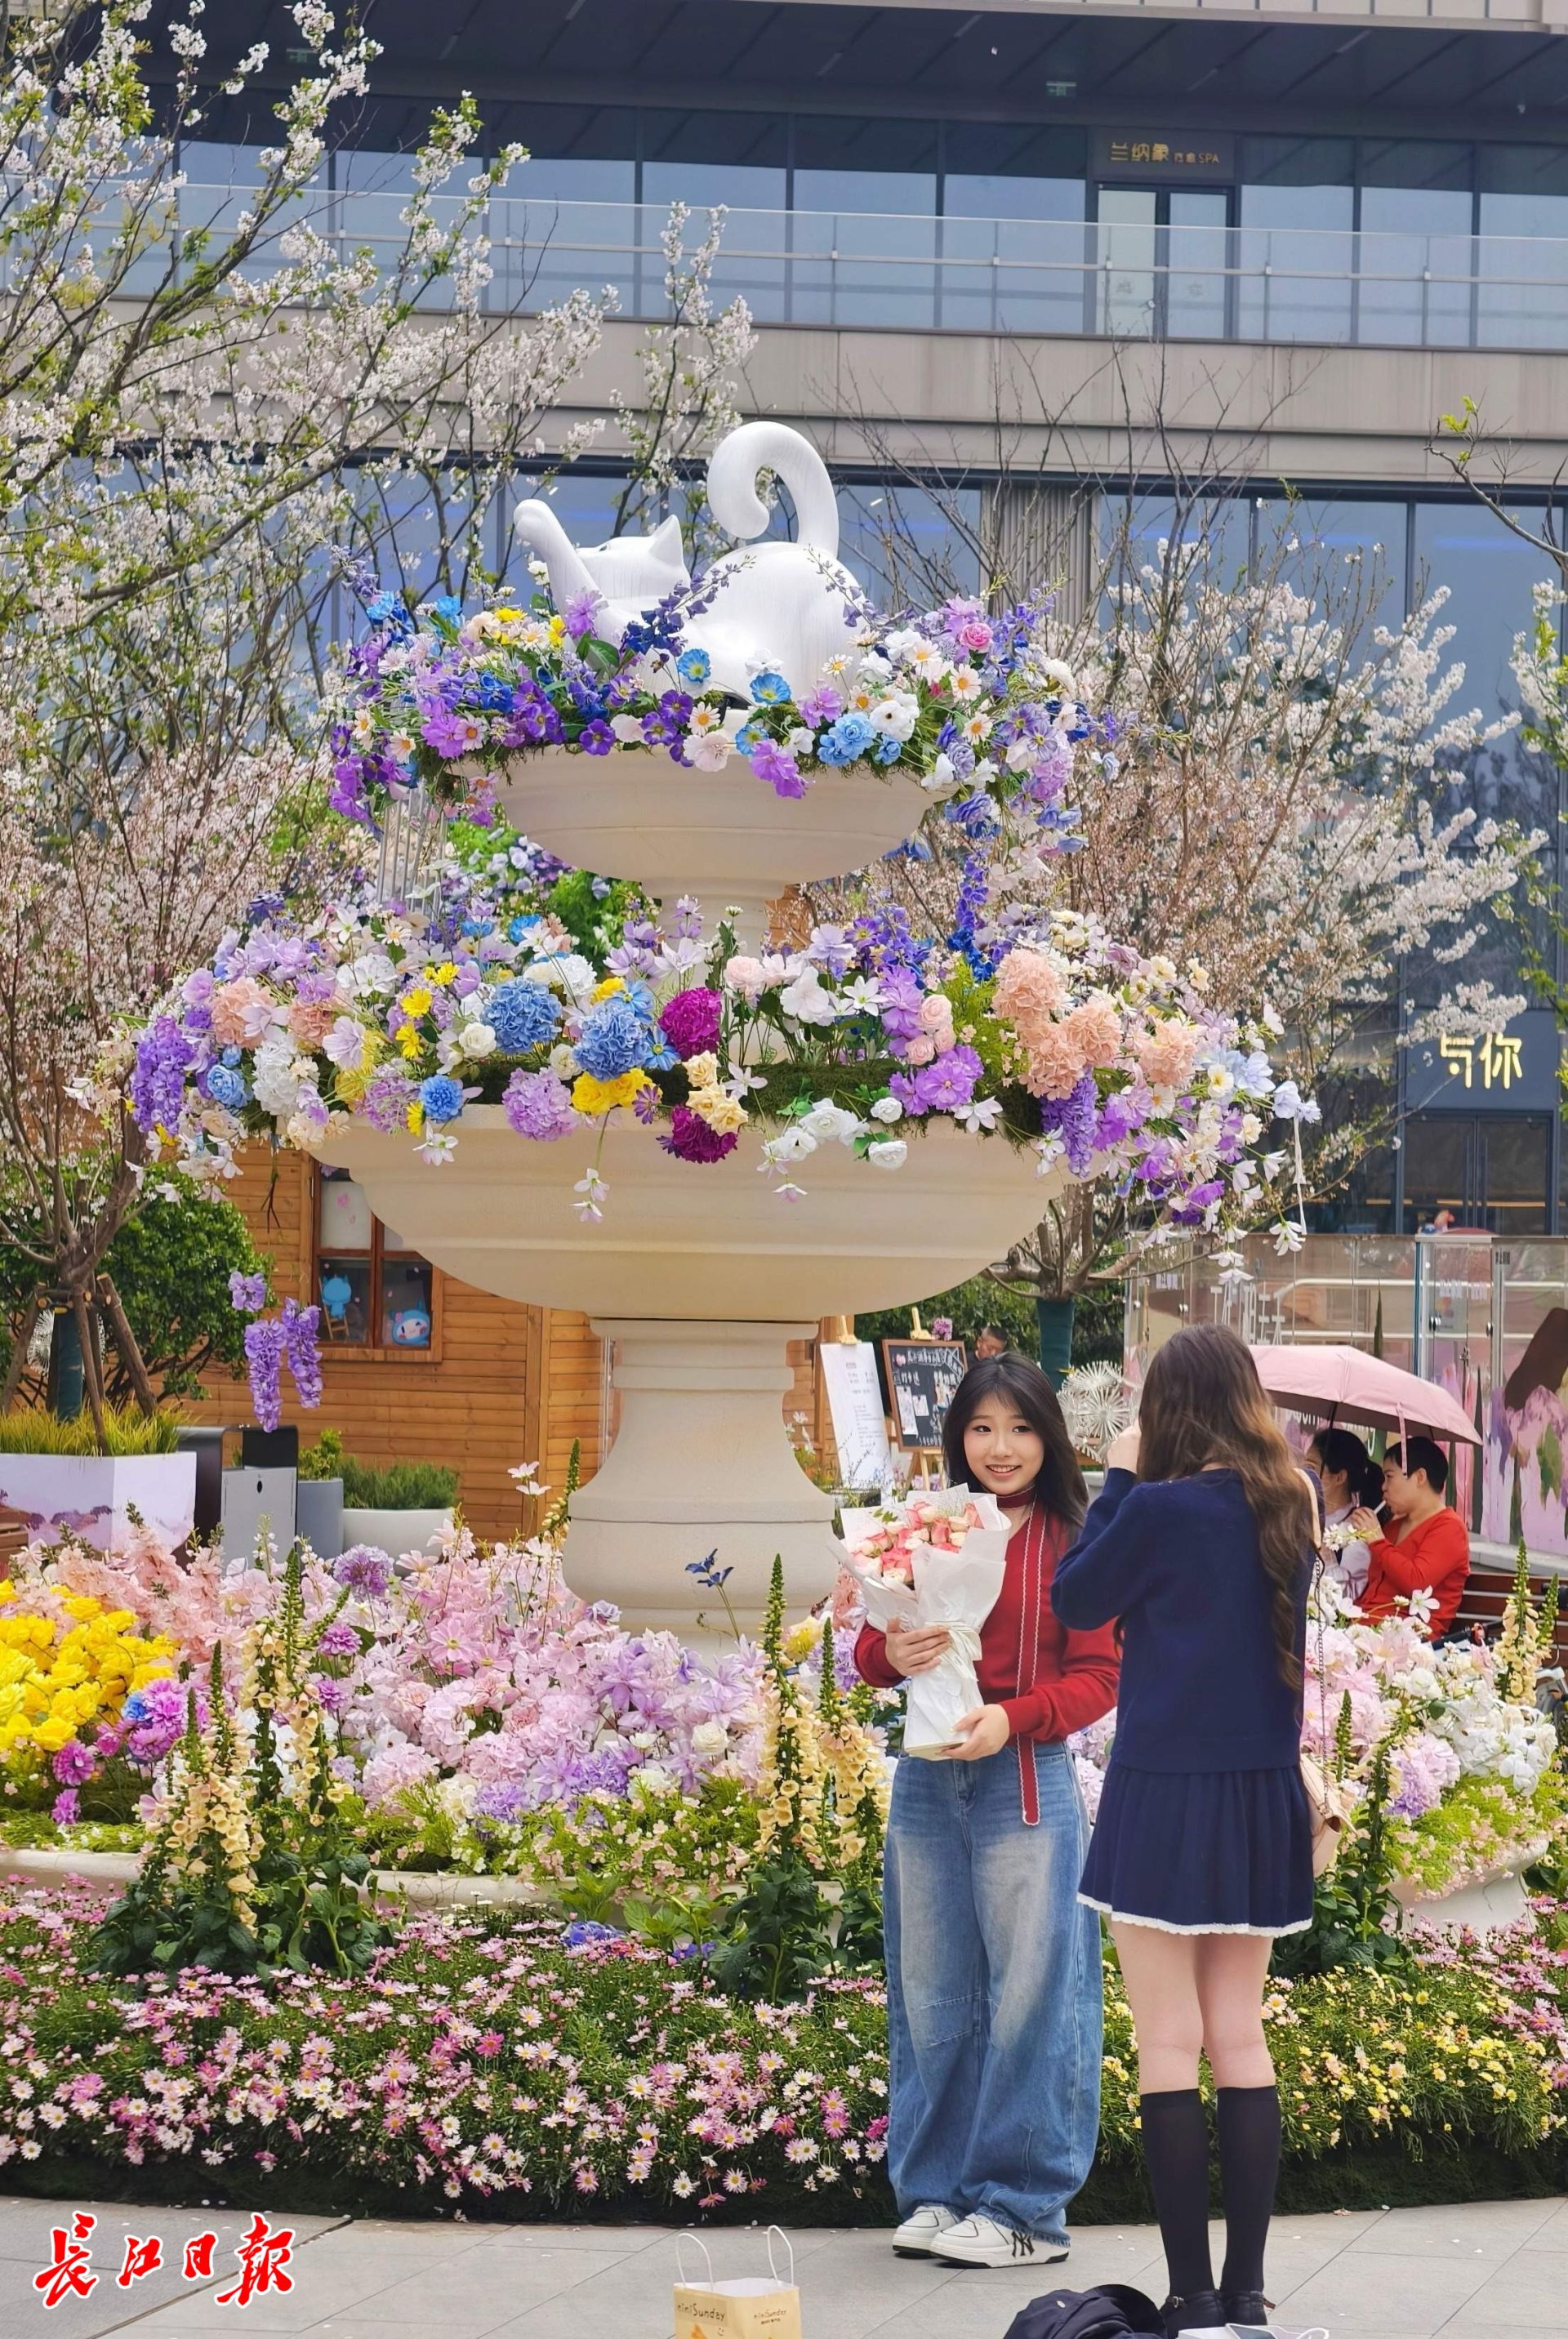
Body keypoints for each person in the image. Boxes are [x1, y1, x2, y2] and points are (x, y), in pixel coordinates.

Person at [1052, 1323, 1315, 2339]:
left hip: (1164, 1792)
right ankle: (1246, 2299)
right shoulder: (1290, 1500)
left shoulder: (1157, 1507)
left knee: (1167, 2039)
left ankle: (1193, 2299)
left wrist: (1119, 1478)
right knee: (1240, 2033)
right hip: (1259, 1794)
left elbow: (1078, 1595)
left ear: (1166, 1409)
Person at [855, 1354, 1119, 2270]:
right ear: (956, 1436)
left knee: (1034, 1997)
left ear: (1049, 1436)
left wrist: (1013, 1717)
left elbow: (1101, 1676)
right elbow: (871, 1652)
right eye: (981, 1428)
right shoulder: (929, 1525)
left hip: (1024, 1783)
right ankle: (936, 2191)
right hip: (928, 1782)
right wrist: (892, 1651)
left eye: (1020, 1428)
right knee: (931, 1990)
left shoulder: (1077, 1538)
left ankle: (1023, 2210)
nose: (1000, 1448)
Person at [1348, 1435, 1469, 1638]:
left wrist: (1377, 1541)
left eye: (1389, 1476)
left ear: (1420, 1477)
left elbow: (1417, 1583)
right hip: (1365, 1627)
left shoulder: (1450, 1528)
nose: (1383, 1487)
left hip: (1409, 1638)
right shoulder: (1393, 1526)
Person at [1306, 1425, 1382, 1602]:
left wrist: (1328, 1560)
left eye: (1312, 1467)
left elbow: (1347, 1600)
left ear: (1339, 1477)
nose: (1305, 1474)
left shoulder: (1357, 1531)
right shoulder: (1302, 1515)